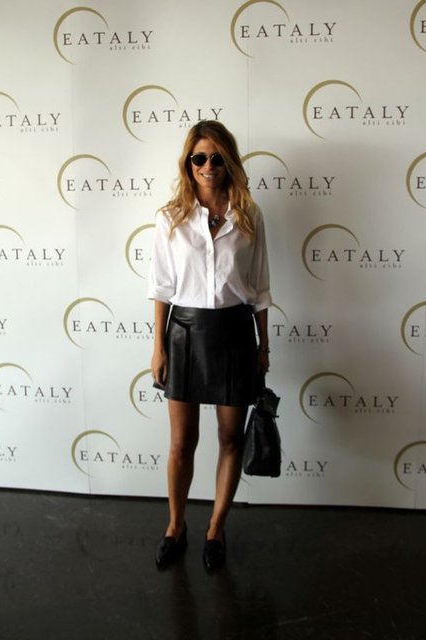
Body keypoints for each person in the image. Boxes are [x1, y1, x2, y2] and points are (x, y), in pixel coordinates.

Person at [148, 120, 271, 570]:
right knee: (182, 443)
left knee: (230, 439)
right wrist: (159, 347)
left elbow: (260, 289)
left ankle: (216, 529)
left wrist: (264, 346)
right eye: (199, 157)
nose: (208, 165)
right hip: (183, 332)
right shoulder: (170, 218)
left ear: (229, 162)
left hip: (236, 333)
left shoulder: (249, 216)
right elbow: (161, 288)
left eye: (217, 157)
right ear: (188, 163)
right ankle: (175, 526)